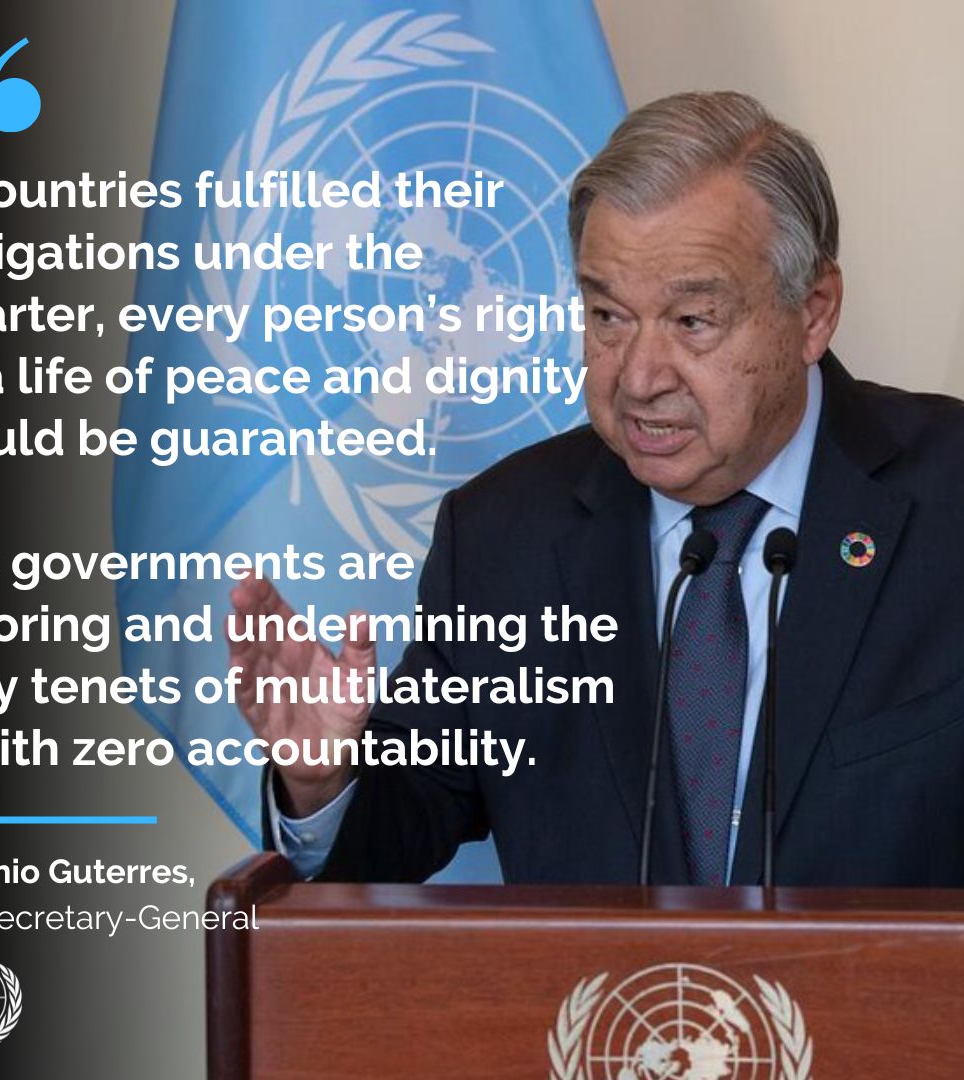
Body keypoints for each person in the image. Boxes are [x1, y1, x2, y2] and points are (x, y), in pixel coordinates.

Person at [228, 91, 964, 887]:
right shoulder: (502, 536)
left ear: (813, 314)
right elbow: (401, 828)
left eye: (692, 322)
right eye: (608, 316)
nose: (639, 378)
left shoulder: (948, 500)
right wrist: (324, 782)